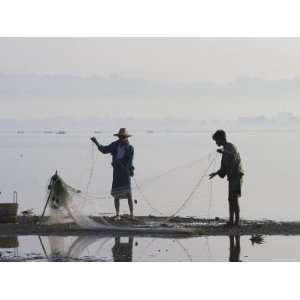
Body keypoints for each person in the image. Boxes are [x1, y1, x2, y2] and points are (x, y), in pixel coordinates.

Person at [90, 128, 135, 219]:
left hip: (125, 172)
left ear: (126, 137)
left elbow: (130, 161)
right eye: (120, 137)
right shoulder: (114, 145)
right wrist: (96, 142)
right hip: (117, 172)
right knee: (116, 194)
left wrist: (131, 170)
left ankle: (131, 215)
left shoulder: (130, 148)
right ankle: (117, 214)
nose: (121, 138)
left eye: (123, 137)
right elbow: (104, 150)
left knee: (129, 193)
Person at [209, 130, 244, 227]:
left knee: (234, 199)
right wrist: (216, 173)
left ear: (221, 139)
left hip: (237, 175)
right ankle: (231, 221)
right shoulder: (224, 149)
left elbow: (233, 155)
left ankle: (237, 222)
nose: (216, 143)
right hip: (231, 176)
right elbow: (223, 168)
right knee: (230, 199)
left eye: (216, 140)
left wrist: (224, 152)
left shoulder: (230, 147)